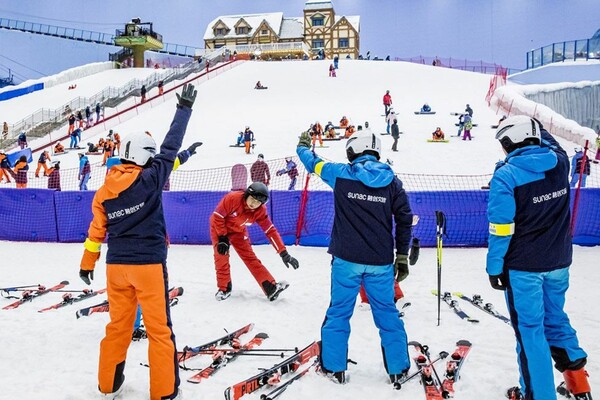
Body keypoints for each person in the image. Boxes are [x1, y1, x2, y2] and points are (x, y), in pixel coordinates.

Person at [77, 83, 197, 400]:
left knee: (118, 327)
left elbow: (95, 233)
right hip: (148, 266)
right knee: (159, 331)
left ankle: (108, 386)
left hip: (116, 268)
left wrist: (87, 264)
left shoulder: (104, 192)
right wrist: (183, 110)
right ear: (145, 156)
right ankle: (164, 393)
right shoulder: (150, 179)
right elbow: (169, 150)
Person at [296, 130, 413, 386]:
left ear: (354, 150)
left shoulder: (340, 174)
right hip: (380, 263)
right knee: (387, 314)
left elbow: (312, 163)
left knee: (338, 314)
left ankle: (334, 368)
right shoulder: (392, 182)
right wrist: (402, 255)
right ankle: (398, 369)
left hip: (345, 260)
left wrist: (303, 146)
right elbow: (405, 218)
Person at [487, 116, 592, 400]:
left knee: (531, 333)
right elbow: (552, 142)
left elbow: (501, 229)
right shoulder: (559, 162)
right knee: (556, 320)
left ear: (511, 142)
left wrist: (495, 267)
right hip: (558, 262)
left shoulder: (506, 176)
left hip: (524, 269)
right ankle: (579, 385)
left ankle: (537, 395)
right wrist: (535, 124)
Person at [210, 182, 299, 301]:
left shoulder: (260, 211)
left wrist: (283, 253)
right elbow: (218, 216)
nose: (253, 204)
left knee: (250, 257)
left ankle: (270, 288)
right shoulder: (233, 198)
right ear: (247, 195)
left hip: (238, 231)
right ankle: (224, 289)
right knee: (221, 256)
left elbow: (270, 230)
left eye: (258, 202)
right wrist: (222, 238)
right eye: (252, 199)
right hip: (219, 228)